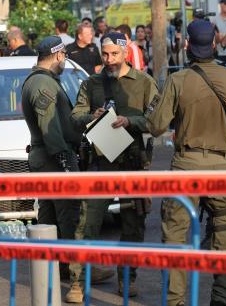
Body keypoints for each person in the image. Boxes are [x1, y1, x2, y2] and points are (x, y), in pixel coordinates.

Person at [146, 20, 226, 306]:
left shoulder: (177, 80)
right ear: (215, 44)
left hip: (185, 168)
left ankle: (177, 301)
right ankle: (220, 299)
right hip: (222, 167)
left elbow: (156, 125)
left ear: (186, 46)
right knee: (224, 238)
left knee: (176, 238)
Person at [70, 32, 158, 303]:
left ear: (126, 53)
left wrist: (130, 122)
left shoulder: (144, 83)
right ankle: (77, 282)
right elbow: (76, 116)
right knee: (87, 223)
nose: (109, 59)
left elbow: (157, 119)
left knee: (134, 224)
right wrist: (91, 116)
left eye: (114, 54)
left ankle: (127, 276)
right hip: (100, 162)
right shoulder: (92, 83)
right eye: (105, 54)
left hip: (133, 162)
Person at [21, 35, 82, 303]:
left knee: (50, 217)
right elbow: (50, 128)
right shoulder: (43, 84)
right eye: (65, 56)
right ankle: (73, 271)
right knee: (67, 215)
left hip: (46, 158)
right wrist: (64, 159)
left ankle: (55, 266)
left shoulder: (39, 81)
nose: (66, 60)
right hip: (53, 158)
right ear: (58, 55)